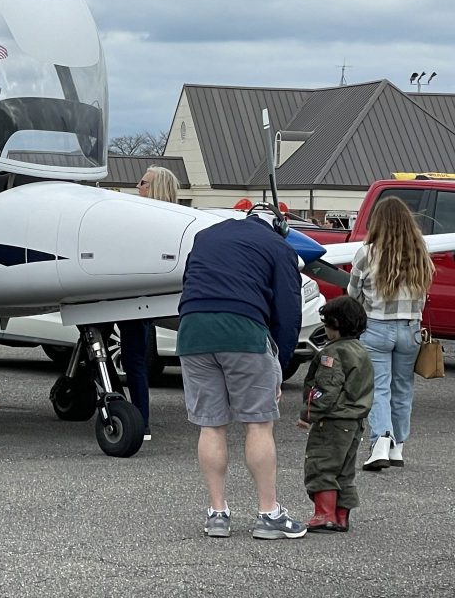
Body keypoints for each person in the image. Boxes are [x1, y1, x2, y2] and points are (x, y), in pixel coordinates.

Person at [177, 214, 306, 539]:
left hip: (193, 330)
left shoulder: (205, 236)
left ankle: (217, 514)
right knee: (258, 424)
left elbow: (189, 284)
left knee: (210, 424)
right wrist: (280, 366)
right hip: (243, 329)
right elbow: (289, 312)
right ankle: (268, 513)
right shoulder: (279, 246)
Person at [347, 197, 435, 471]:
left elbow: (353, 292)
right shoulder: (421, 252)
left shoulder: (366, 253)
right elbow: (425, 292)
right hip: (410, 330)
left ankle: (380, 442)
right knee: (403, 388)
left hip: (376, 327)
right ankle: (398, 447)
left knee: (379, 388)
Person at [296, 296, 373, 532]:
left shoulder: (332, 353)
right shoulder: (360, 350)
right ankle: (341, 516)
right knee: (344, 470)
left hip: (333, 421)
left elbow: (325, 389)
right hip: (355, 421)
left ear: (335, 324)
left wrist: (308, 414)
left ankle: (324, 515)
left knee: (322, 464)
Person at [120, 166, 181, 440]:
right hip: (142, 298)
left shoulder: (146, 220)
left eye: (143, 183)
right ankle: (131, 413)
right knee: (132, 357)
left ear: (155, 188)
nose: (138, 187)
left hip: (135, 298)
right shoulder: (173, 219)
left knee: (134, 359)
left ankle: (139, 420)